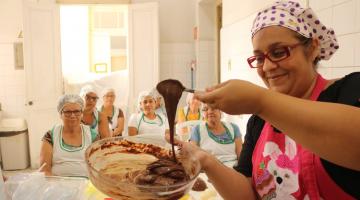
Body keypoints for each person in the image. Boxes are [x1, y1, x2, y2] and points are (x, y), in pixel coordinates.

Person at [180, 1, 360, 199]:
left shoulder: (350, 91)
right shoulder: (259, 121)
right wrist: (205, 160)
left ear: (313, 48)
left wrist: (260, 101)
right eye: (259, 58)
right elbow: (247, 194)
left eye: (279, 52)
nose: (266, 67)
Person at [39, 94, 97, 177]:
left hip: (86, 184)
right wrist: (53, 186)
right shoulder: (51, 135)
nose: (72, 115)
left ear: (82, 113)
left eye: (77, 111)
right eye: (68, 112)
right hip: (57, 183)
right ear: (60, 114)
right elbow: (44, 168)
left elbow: (98, 167)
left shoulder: (92, 136)